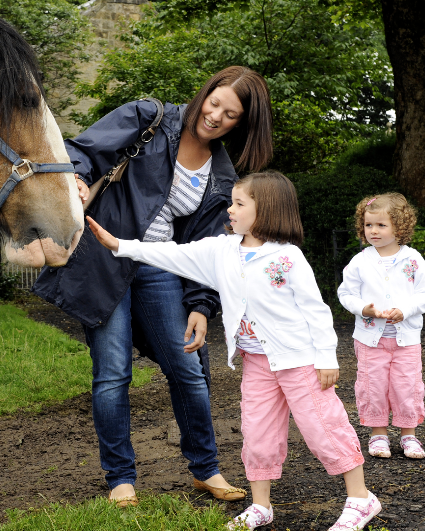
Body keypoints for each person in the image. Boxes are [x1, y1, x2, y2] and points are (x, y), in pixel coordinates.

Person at [85, 171, 382, 531]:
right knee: (257, 432)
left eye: (239, 204)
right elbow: (172, 253)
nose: (230, 209)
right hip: (256, 362)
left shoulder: (288, 257)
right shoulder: (221, 249)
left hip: (299, 361)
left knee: (322, 426)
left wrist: (326, 356)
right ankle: (261, 506)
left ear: (267, 210)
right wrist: (120, 245)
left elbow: (315, 309)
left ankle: (360, 498)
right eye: (232, 202)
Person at [33, 66, 273, 507]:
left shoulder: (222, 175)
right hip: (104, 257)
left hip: (158, 266)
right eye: (215, 102)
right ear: (204, 94)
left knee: (190, 371)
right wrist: (80, 179)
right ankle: (120, 478)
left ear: (243, 123)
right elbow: (83, 149)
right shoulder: (150, 118)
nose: (216, 115)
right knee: (113, 372)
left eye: (232, 114)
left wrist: (201, 305)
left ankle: (206, 470)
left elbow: (209, 249)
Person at [337, 194, 425, 459]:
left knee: (407, 385)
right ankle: (378, 434)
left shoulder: (412, 259)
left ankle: (409, 436)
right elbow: (346, 293)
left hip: (406, 341)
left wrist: (406, 311)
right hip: (371, 339)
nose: (374, 231)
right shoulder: (360, 261)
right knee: (373, 386)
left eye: (381, 225)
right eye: (369, 225)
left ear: (399, 227)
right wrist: (363, 309)